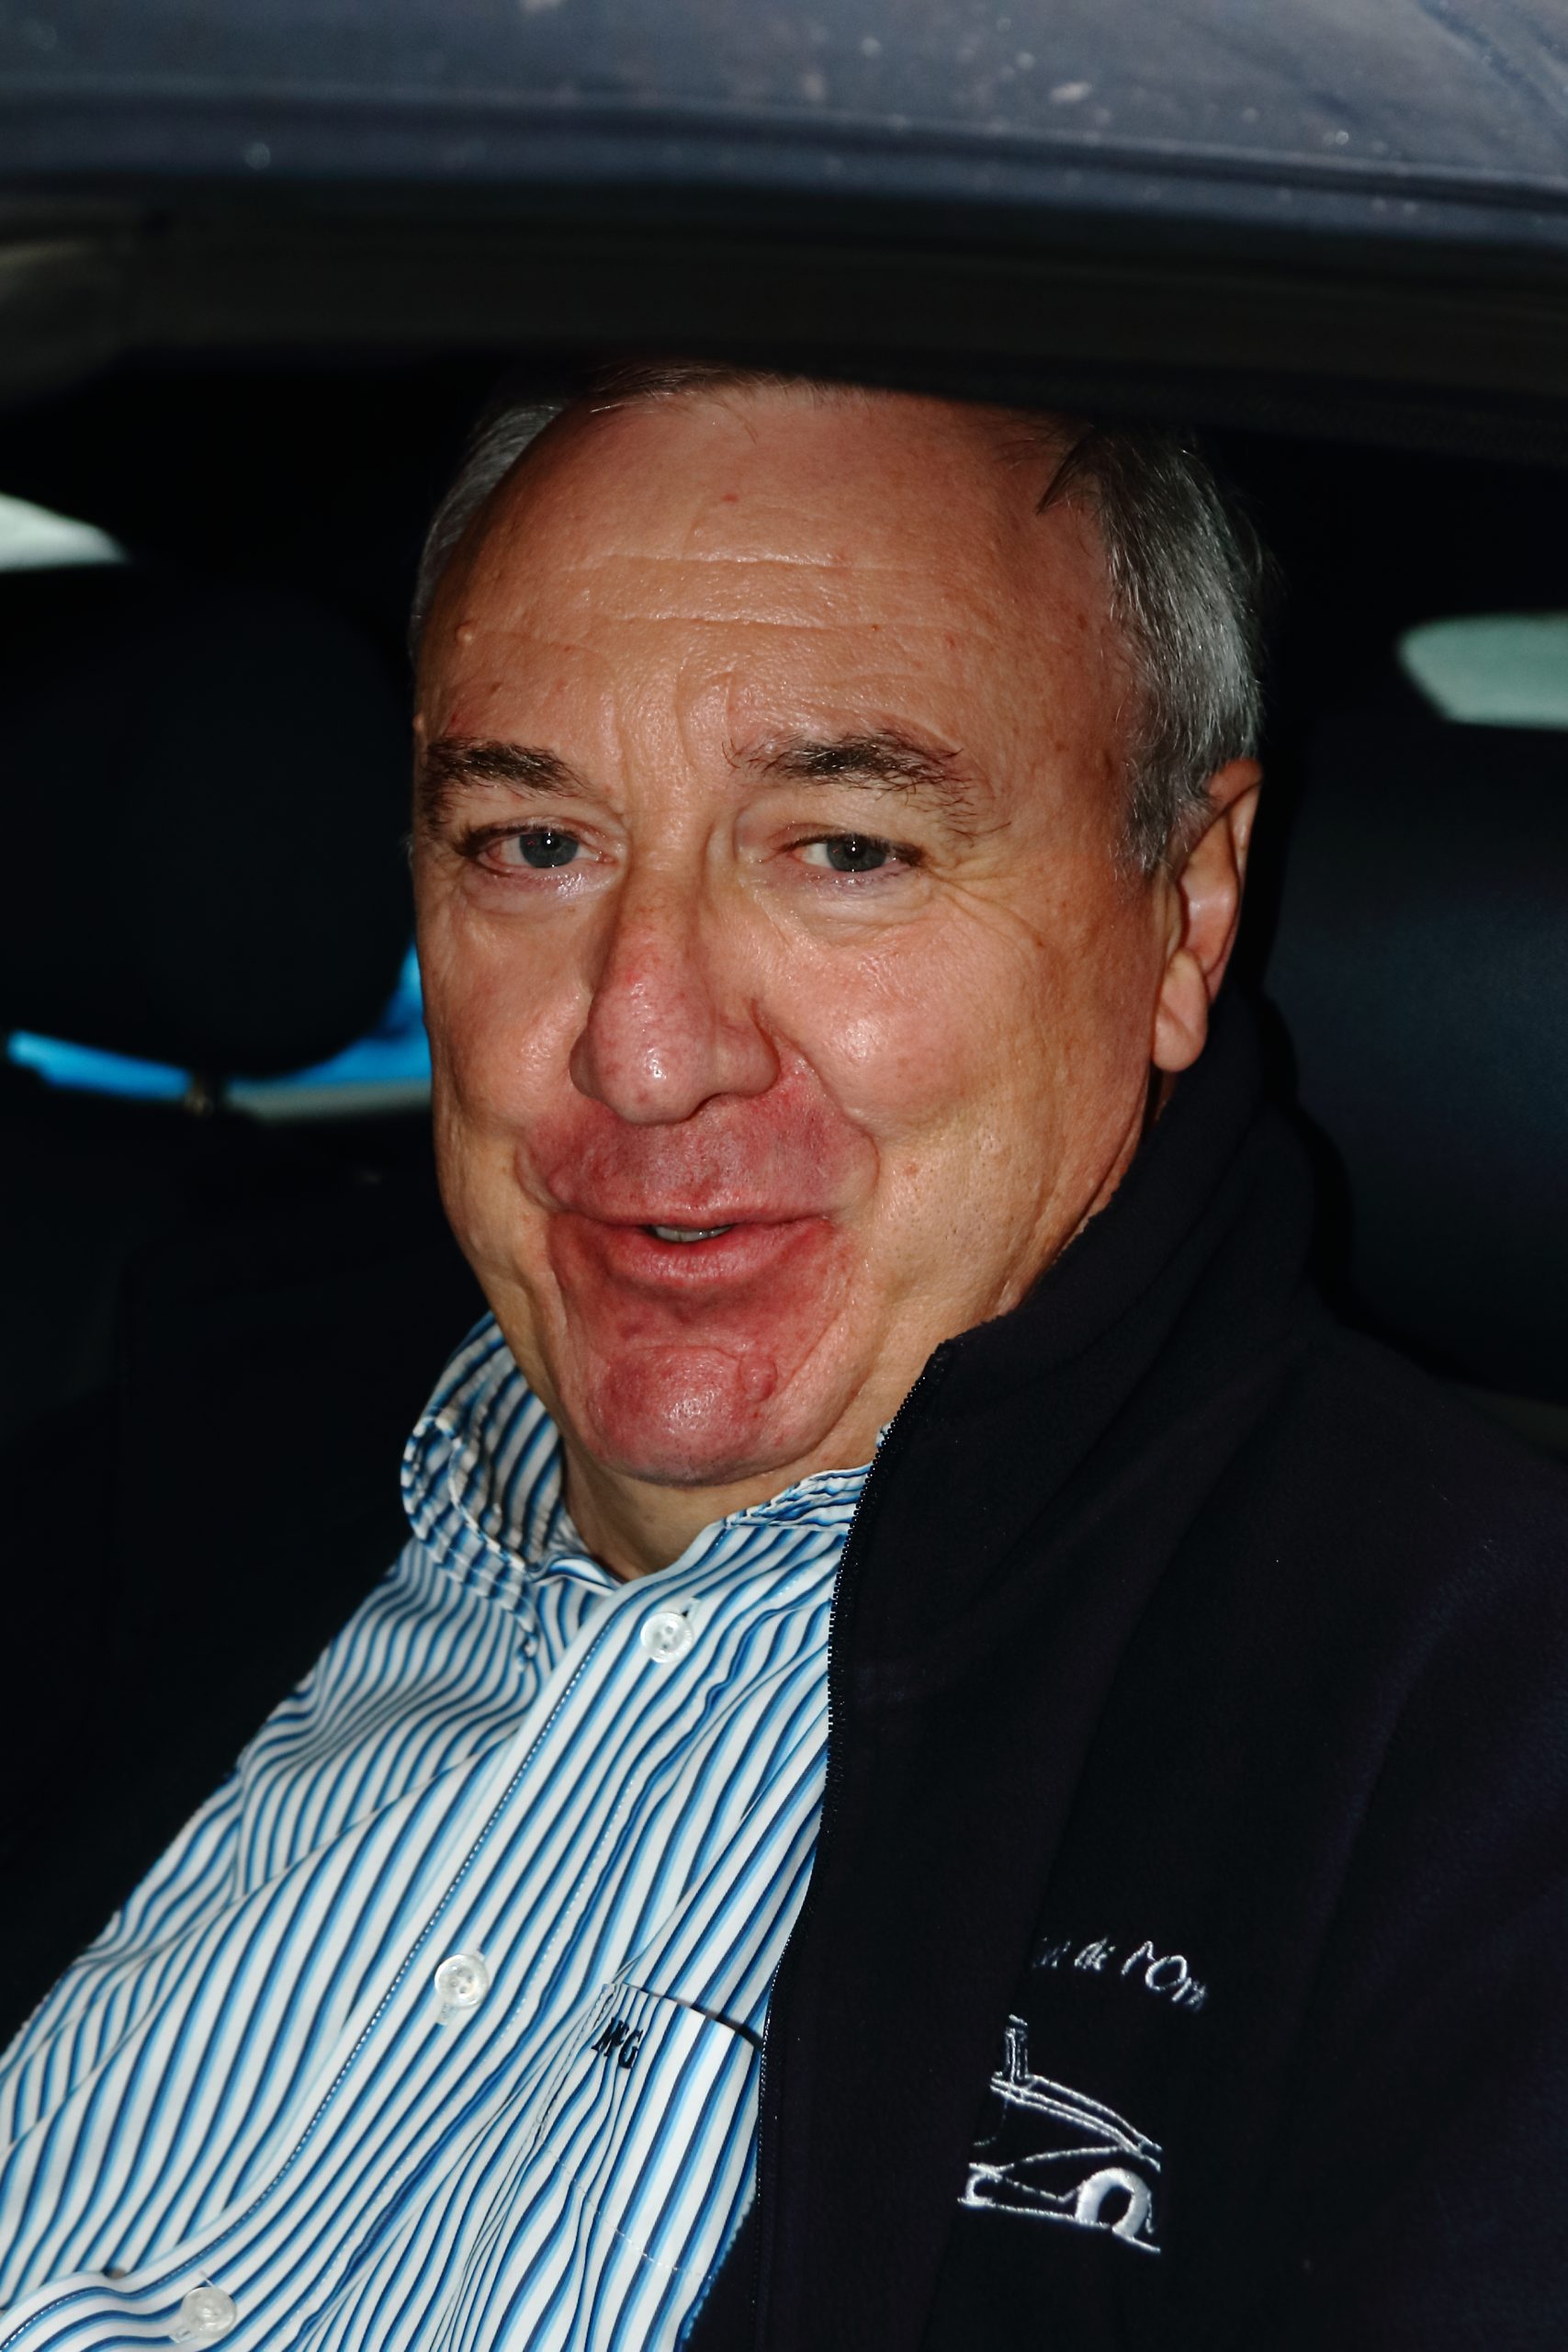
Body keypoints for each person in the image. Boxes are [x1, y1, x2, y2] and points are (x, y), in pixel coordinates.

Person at [2, 363, 1566, 2352]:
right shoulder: (125, 1482)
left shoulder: (1472, 1758)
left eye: (844, 850)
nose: (644, 1048)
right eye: (532, 840)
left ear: (1182, 913)